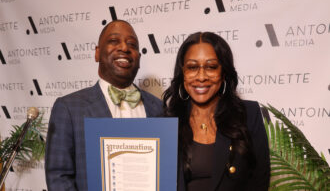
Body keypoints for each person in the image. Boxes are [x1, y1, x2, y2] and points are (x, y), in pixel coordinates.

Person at [45, 20, 163, 190]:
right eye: (114, 41)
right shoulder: (69, 108)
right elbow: (58, 178)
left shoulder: (158, 108)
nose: (124, 47)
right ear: (97, 53)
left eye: (132, 44)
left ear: (139, 58)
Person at [163, 32, 270, 191]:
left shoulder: (248, 114)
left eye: (211, 67)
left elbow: (259, 182)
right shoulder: (166, 123)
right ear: (183, 72)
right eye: (192, 67)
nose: (201, 77)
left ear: (223, 72)